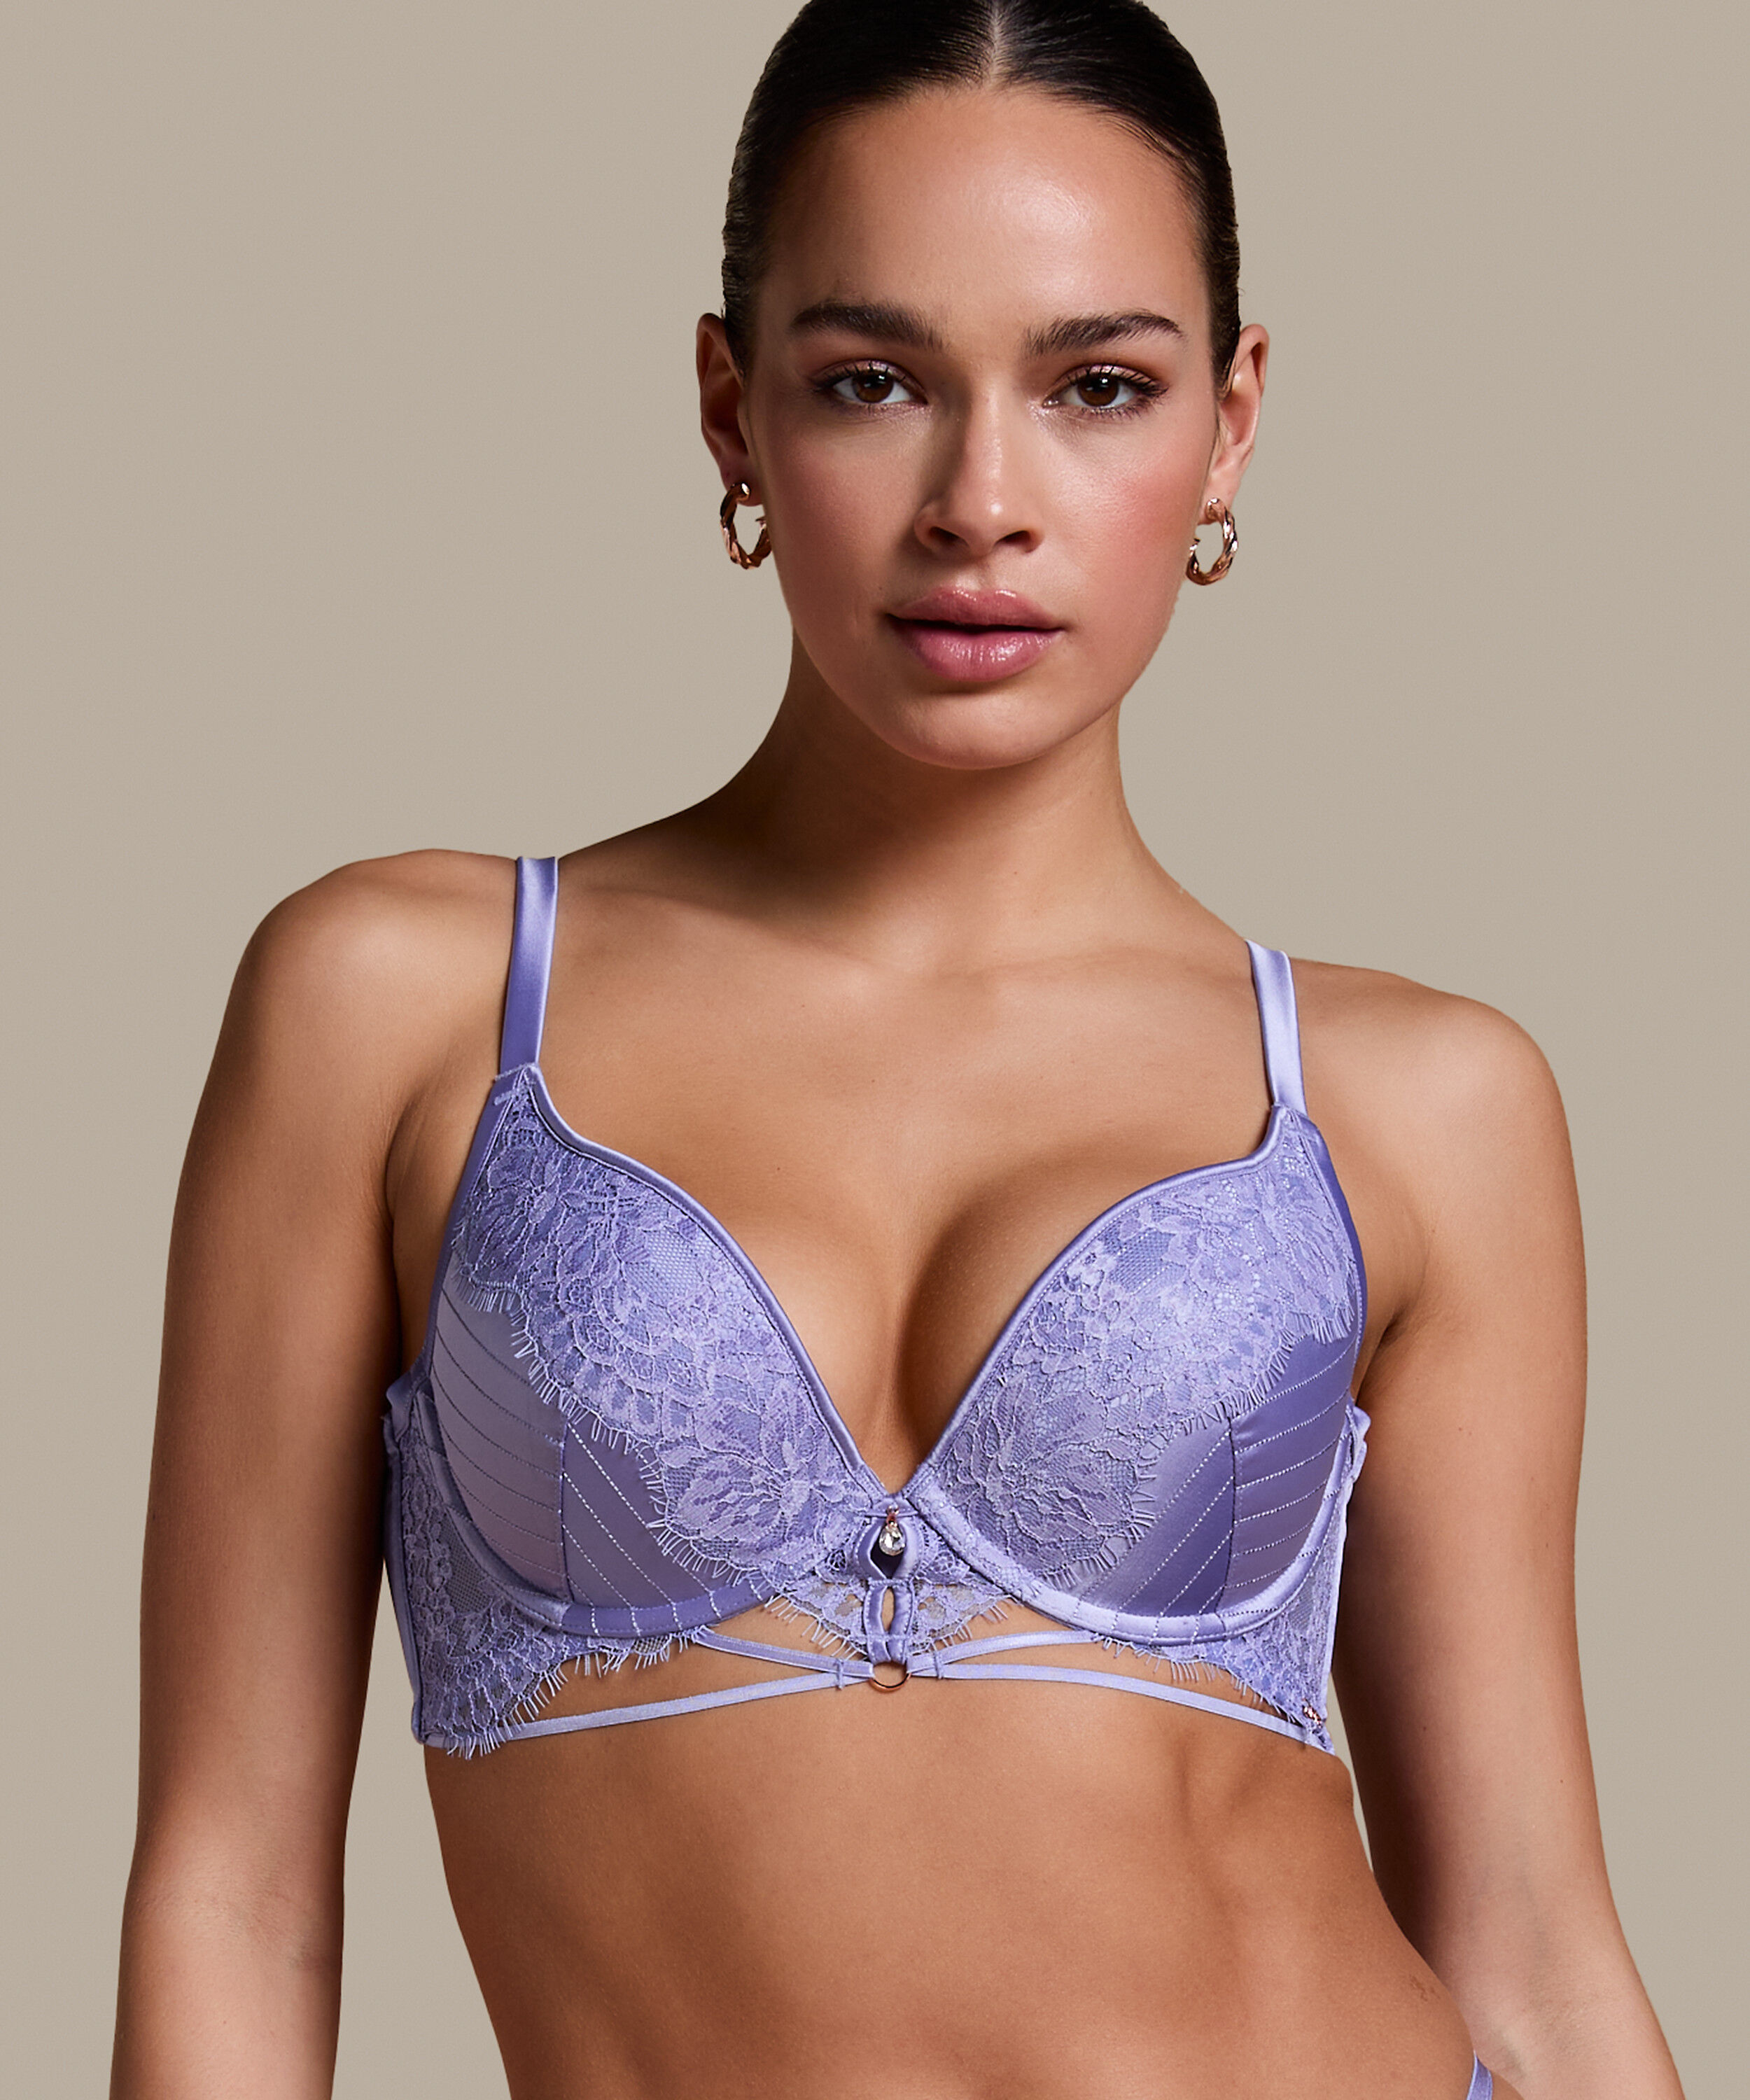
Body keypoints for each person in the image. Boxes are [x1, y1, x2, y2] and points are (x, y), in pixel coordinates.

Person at [111, 4, 1685, 2095]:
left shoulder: (1420, 1102)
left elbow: (1534, 1947)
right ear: (731, 410)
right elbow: (230, 1888)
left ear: (1228, 428)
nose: (981, 504)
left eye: (1098, 387)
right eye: (873, 382)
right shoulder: (402, 1004)